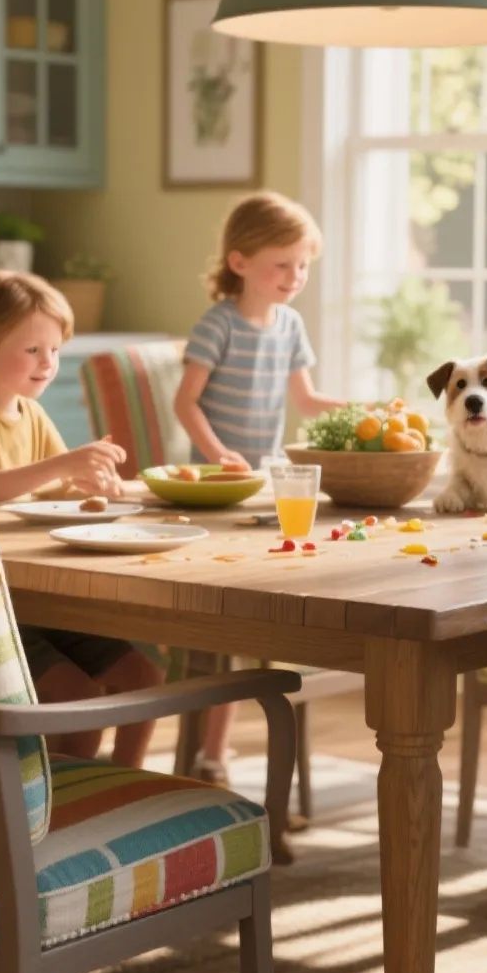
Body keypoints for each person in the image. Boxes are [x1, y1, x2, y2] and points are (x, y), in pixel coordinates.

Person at [0, 270, 161, 767]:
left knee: (144, 676)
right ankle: (52, 804)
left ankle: (125, 780)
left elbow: (58, 488)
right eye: (33, 350)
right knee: (77, 702)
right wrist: (64, 464)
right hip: (1, 603)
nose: (48, 363)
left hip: (49, 596)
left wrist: (92, 482)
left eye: (54, 350)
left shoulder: (31, 414)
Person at [174, 191, 347, 786]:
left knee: (258, 617)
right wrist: (217, 451)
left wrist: (355, 407)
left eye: (303, 266)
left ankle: (231, 754)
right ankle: (211, 753)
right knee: (223, 629)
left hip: (267, 488)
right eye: (283, 265)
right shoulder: (217, 324)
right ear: (240, 261)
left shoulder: (291, 325)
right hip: (218, 490)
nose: (295, 278)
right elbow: (186, 401)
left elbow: (305, 400)